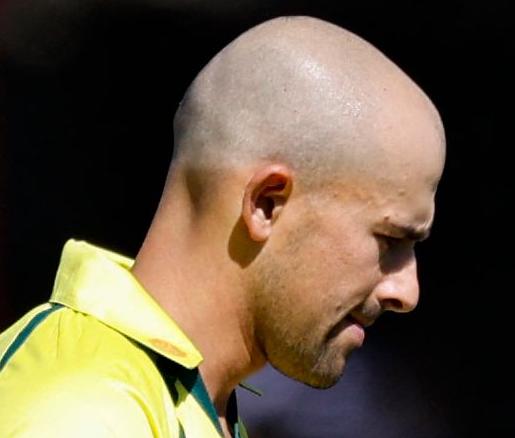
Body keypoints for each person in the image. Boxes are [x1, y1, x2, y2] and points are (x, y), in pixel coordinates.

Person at [0, 15, 445, 438]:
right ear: (266, 204)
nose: (406, 292)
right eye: (389, 240)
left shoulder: (185, 398)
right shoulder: (86, 414)